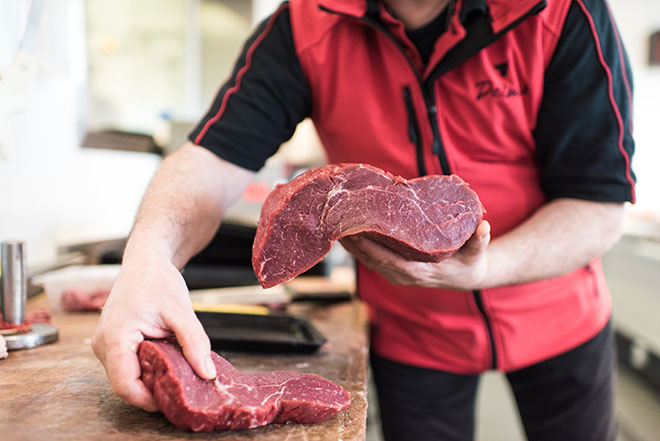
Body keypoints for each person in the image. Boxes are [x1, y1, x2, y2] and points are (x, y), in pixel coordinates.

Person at [92, 0, 635, 440]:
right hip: (413, 332)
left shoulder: (559, 12)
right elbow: (209, 162)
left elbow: (598, 206)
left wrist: (484, 271)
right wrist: (148, 259)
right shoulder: (305, 25)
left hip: (559, 318)